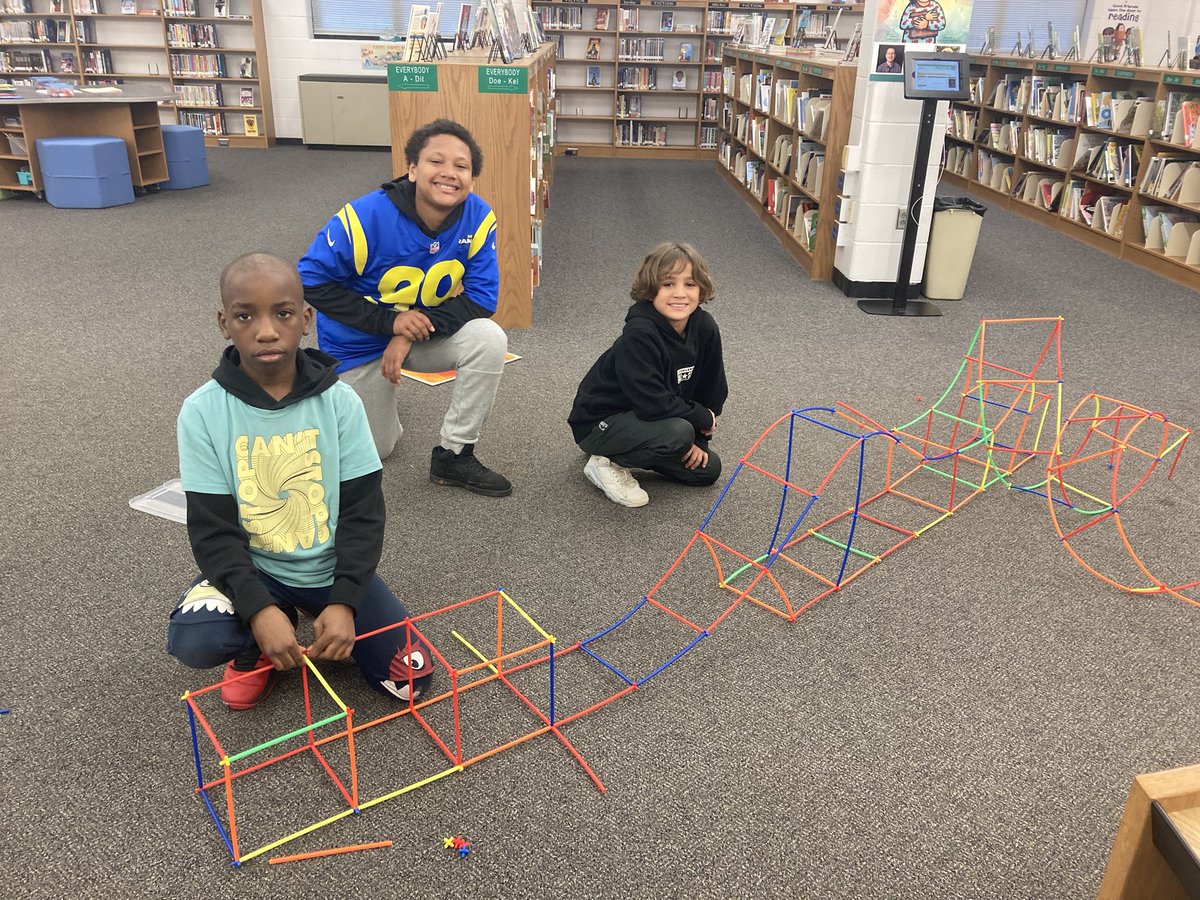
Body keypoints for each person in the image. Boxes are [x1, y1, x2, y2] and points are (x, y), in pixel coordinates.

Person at [167, 253, 435, 710]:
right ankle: (258, 645)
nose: (266, 330)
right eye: (245, 315)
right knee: (196, 640)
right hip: (258, 569)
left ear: (306, 319)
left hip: (330, 570)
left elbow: (363, 512)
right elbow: (212, 530)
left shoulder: (341, 403)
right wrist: (257, 609)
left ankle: (320, 614)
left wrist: (347, 599)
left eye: (283, 313)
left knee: (411, 683)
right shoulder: (201, 412)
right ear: (223, 323)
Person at [298, 119, 511, 497]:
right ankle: (347, 396)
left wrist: (409, 331)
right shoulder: (365, 216)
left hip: (416, 335)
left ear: (472, 179)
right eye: (436, 162)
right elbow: (311, 280)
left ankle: (454, 453)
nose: (449, 173)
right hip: (357, 344)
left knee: (488, 339)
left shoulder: (478, 217)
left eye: (461, 166)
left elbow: (482, 298)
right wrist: (390, 324)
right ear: (412, 168)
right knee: (376, 449)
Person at [568, 241, 728, 508]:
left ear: (701, 290)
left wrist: (700, 438)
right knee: (678, 432)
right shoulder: (640, 333)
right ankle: (606, 461)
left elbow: (712, 389)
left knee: (708, 469)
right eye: (668, 284)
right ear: (651, 289)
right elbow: (651, 403)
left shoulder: (705, 326)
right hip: (599, 423)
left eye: (689, 284)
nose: (679, 294)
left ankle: (651, 446)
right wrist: (700, 419)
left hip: (652, 421)